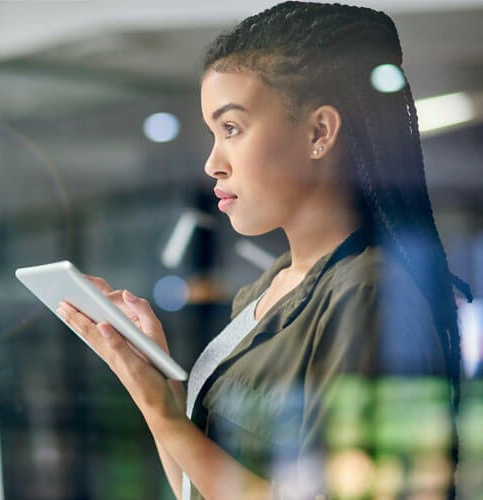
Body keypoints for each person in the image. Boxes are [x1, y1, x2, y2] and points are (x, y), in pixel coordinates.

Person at [56, 1, 474, 499]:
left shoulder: (368, 294)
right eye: (213, 133)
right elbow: (200, 490)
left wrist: (163, 414)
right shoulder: (268, 288)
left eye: (231, 128)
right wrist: (159, 385)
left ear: (318, 132)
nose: (213, 163)